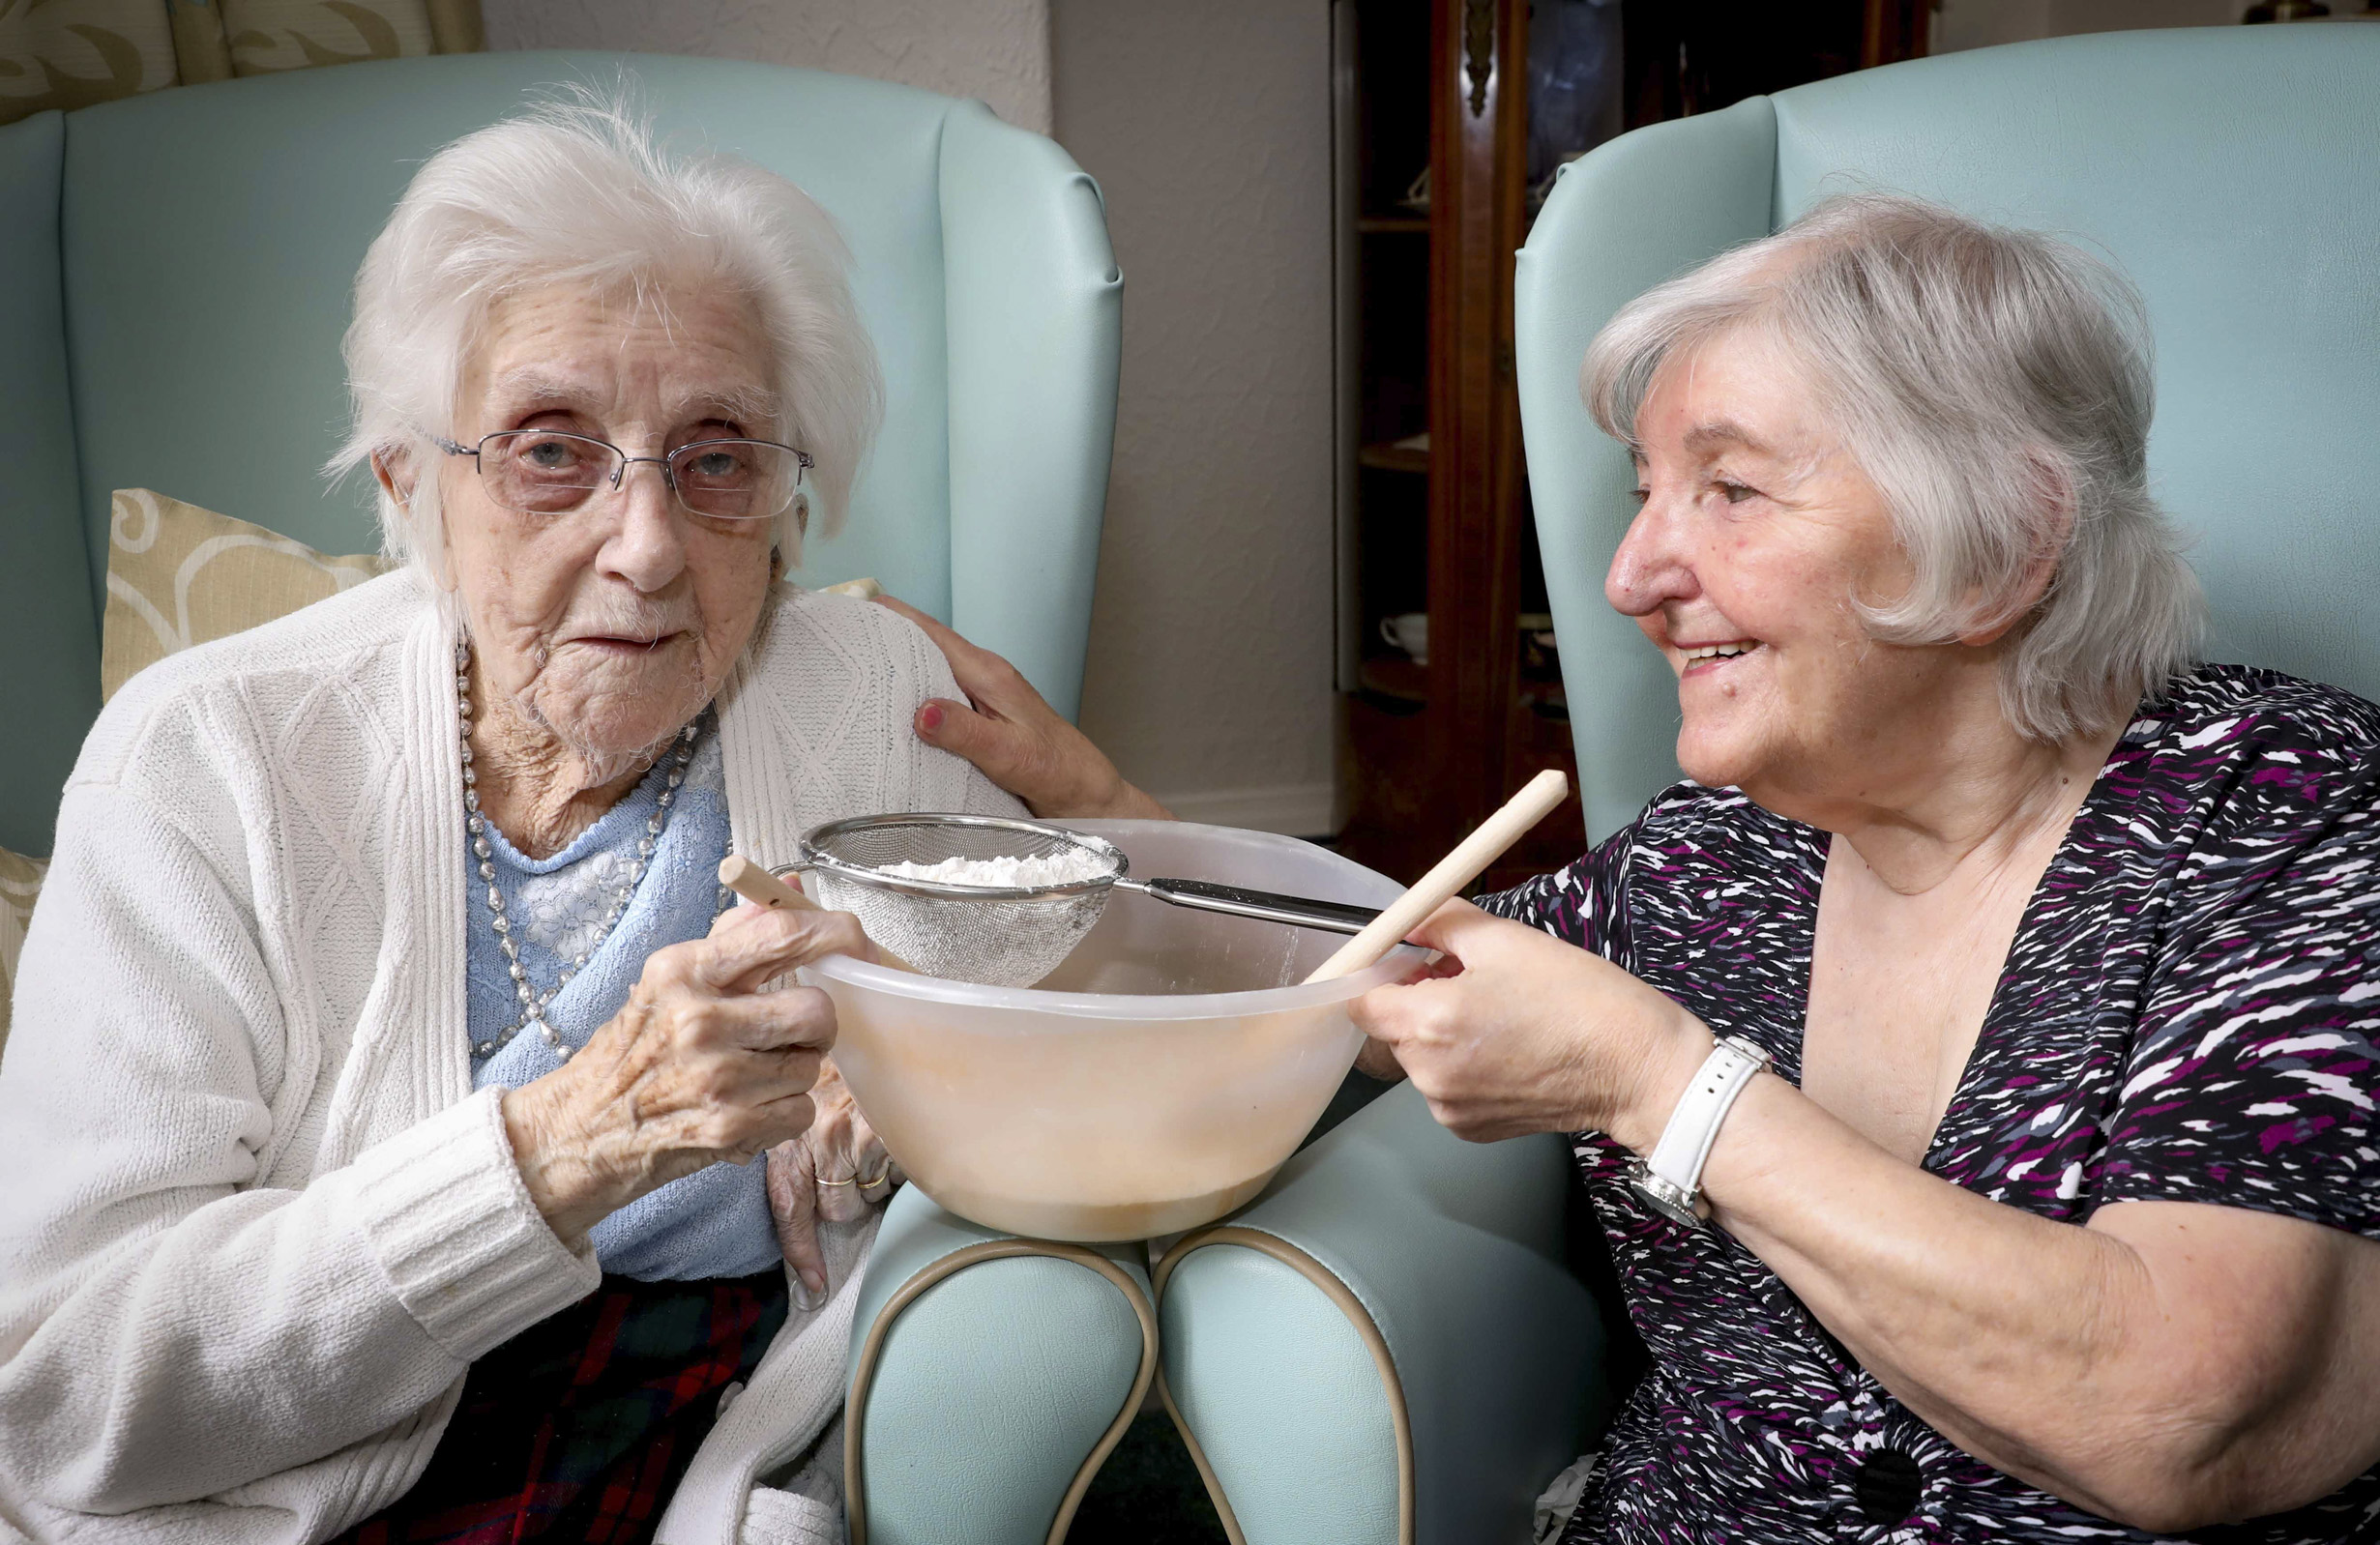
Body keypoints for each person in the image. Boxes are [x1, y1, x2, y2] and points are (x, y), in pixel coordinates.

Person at [893, 196, 2380, 1542]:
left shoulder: (2288, 815)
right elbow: (1375, 976)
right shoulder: (1711, 859)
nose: (1627, 581)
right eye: (1642, 494)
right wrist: (1095, 815)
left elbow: (2182, 1418)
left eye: (1727, 490)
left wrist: (1665, 1086)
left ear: (1999, 546)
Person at [0, 97, 1021, 1543]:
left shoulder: (864, 699)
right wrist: (567, 1144)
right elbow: (59, 1390)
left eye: (717, 456)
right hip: (282, 1488)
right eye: (551, 450)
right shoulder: (204, 759)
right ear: (411, 484)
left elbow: (1094, 1015)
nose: (649, 547)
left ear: (786, 504)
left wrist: (923, 1100)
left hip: (698, 1450)